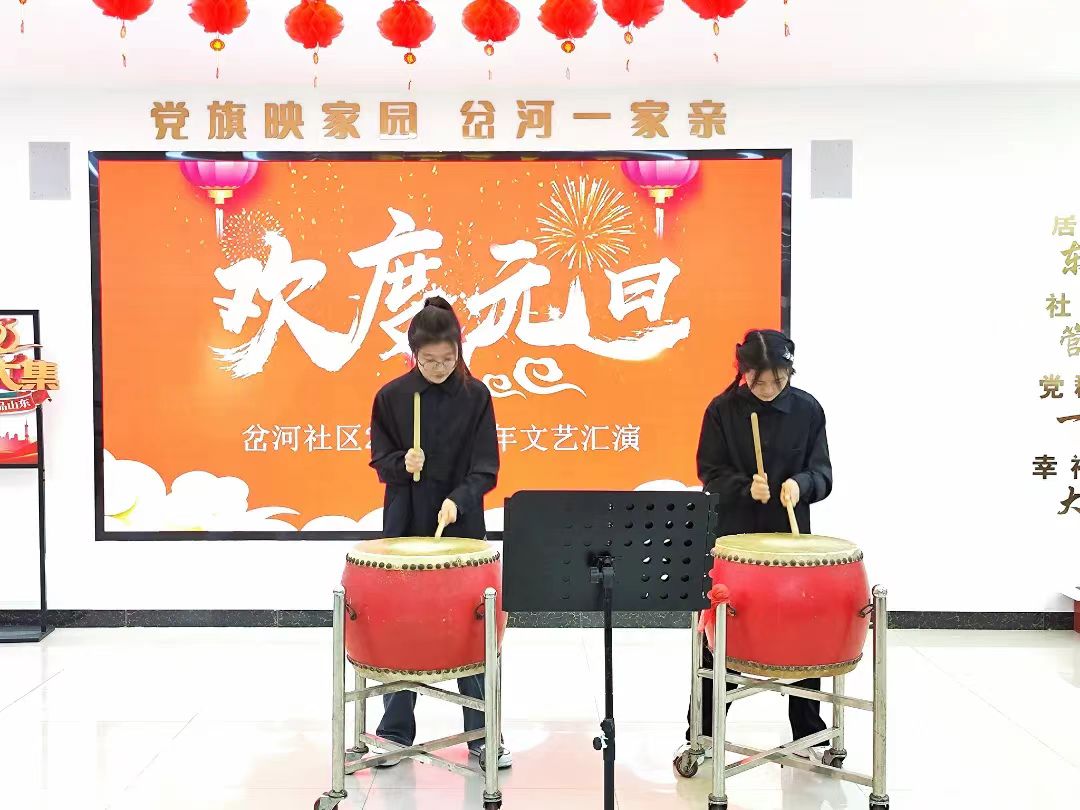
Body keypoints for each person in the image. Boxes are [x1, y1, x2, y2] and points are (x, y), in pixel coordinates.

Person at [677, 328, 833, 764]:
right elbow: (709, 472)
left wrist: (800, 485)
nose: (767, 389)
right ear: (742, 372)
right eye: (758, 381)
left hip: (789, 544)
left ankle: (810, 731)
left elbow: (823, 473)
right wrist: (746, 487)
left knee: (802, 635)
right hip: (734, 542)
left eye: (777, 381)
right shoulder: (722, 410)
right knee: (720, 635)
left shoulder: (807, 409)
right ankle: (703, 733)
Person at [368, 296, 511, 769]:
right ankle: (394, 732)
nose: (439, 368)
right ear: (414, 354)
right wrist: (401, 463)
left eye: (448, 359)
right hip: (406, 527)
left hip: (461, 527)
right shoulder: (391, 397)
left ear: (459, 351)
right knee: (402, 630)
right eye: (429, 360)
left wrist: (460, 498)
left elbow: (486, 467)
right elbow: (380, 461)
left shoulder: (476, 397)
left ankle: (482, 734)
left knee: (470, 631)